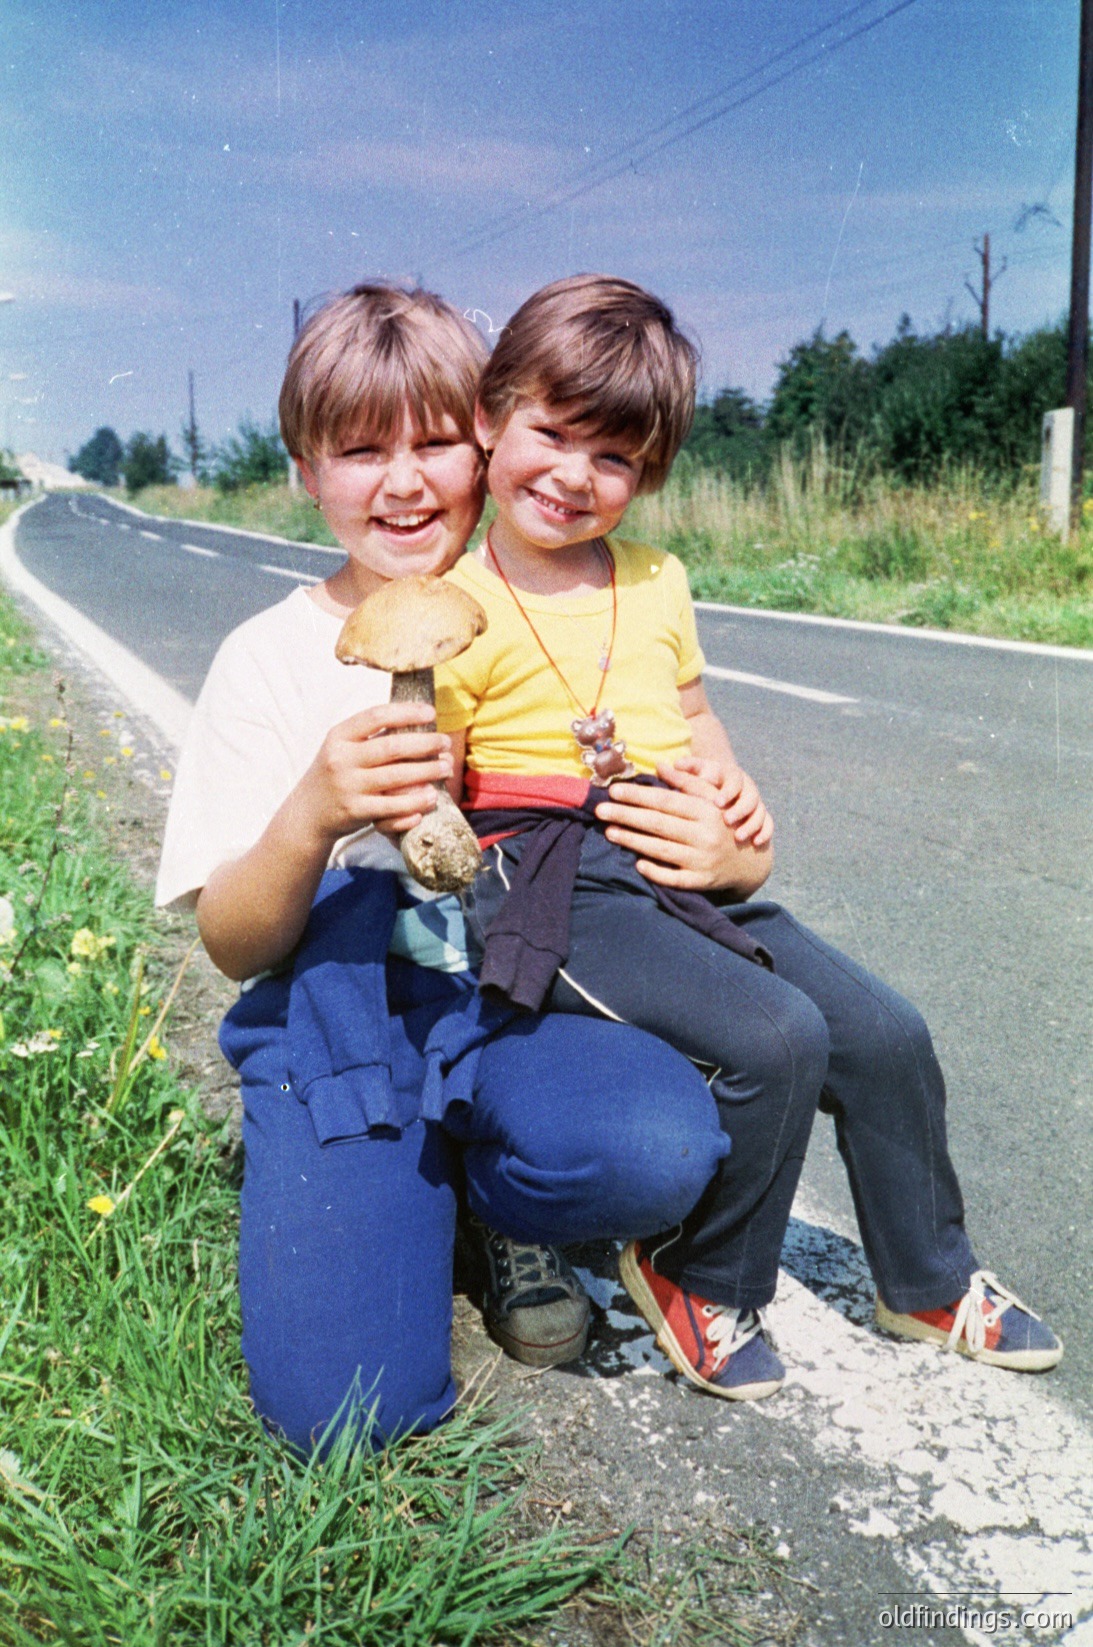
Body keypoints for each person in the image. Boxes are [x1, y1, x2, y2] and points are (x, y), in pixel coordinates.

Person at [434, 273, 1063, 1400]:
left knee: (883, 1033)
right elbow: (430, 786)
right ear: (490, 416)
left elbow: (691, 717)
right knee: (773, 1037)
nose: (575, 476)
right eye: (551, 431)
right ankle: (697, 1272)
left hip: (675, 864)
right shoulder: (459, 601)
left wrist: (728, 792)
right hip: (546, 882)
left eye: (614, 458)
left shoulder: (656, 580)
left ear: (650, 473)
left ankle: (923, 1277)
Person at [155, 282, 735, 1454]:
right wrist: (311, 817)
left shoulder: (548, 600)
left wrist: (724, 843)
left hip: (509, 997)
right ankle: (394, 1190)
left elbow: (679, 776)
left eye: (434, 441)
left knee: (665, 1145)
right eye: (361, 451)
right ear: (308, 472)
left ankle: (495, 1196)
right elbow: (231, 944)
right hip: (341, 1015)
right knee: (343, 1417)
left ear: (484, 441)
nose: (404, 481)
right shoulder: (265, 657)